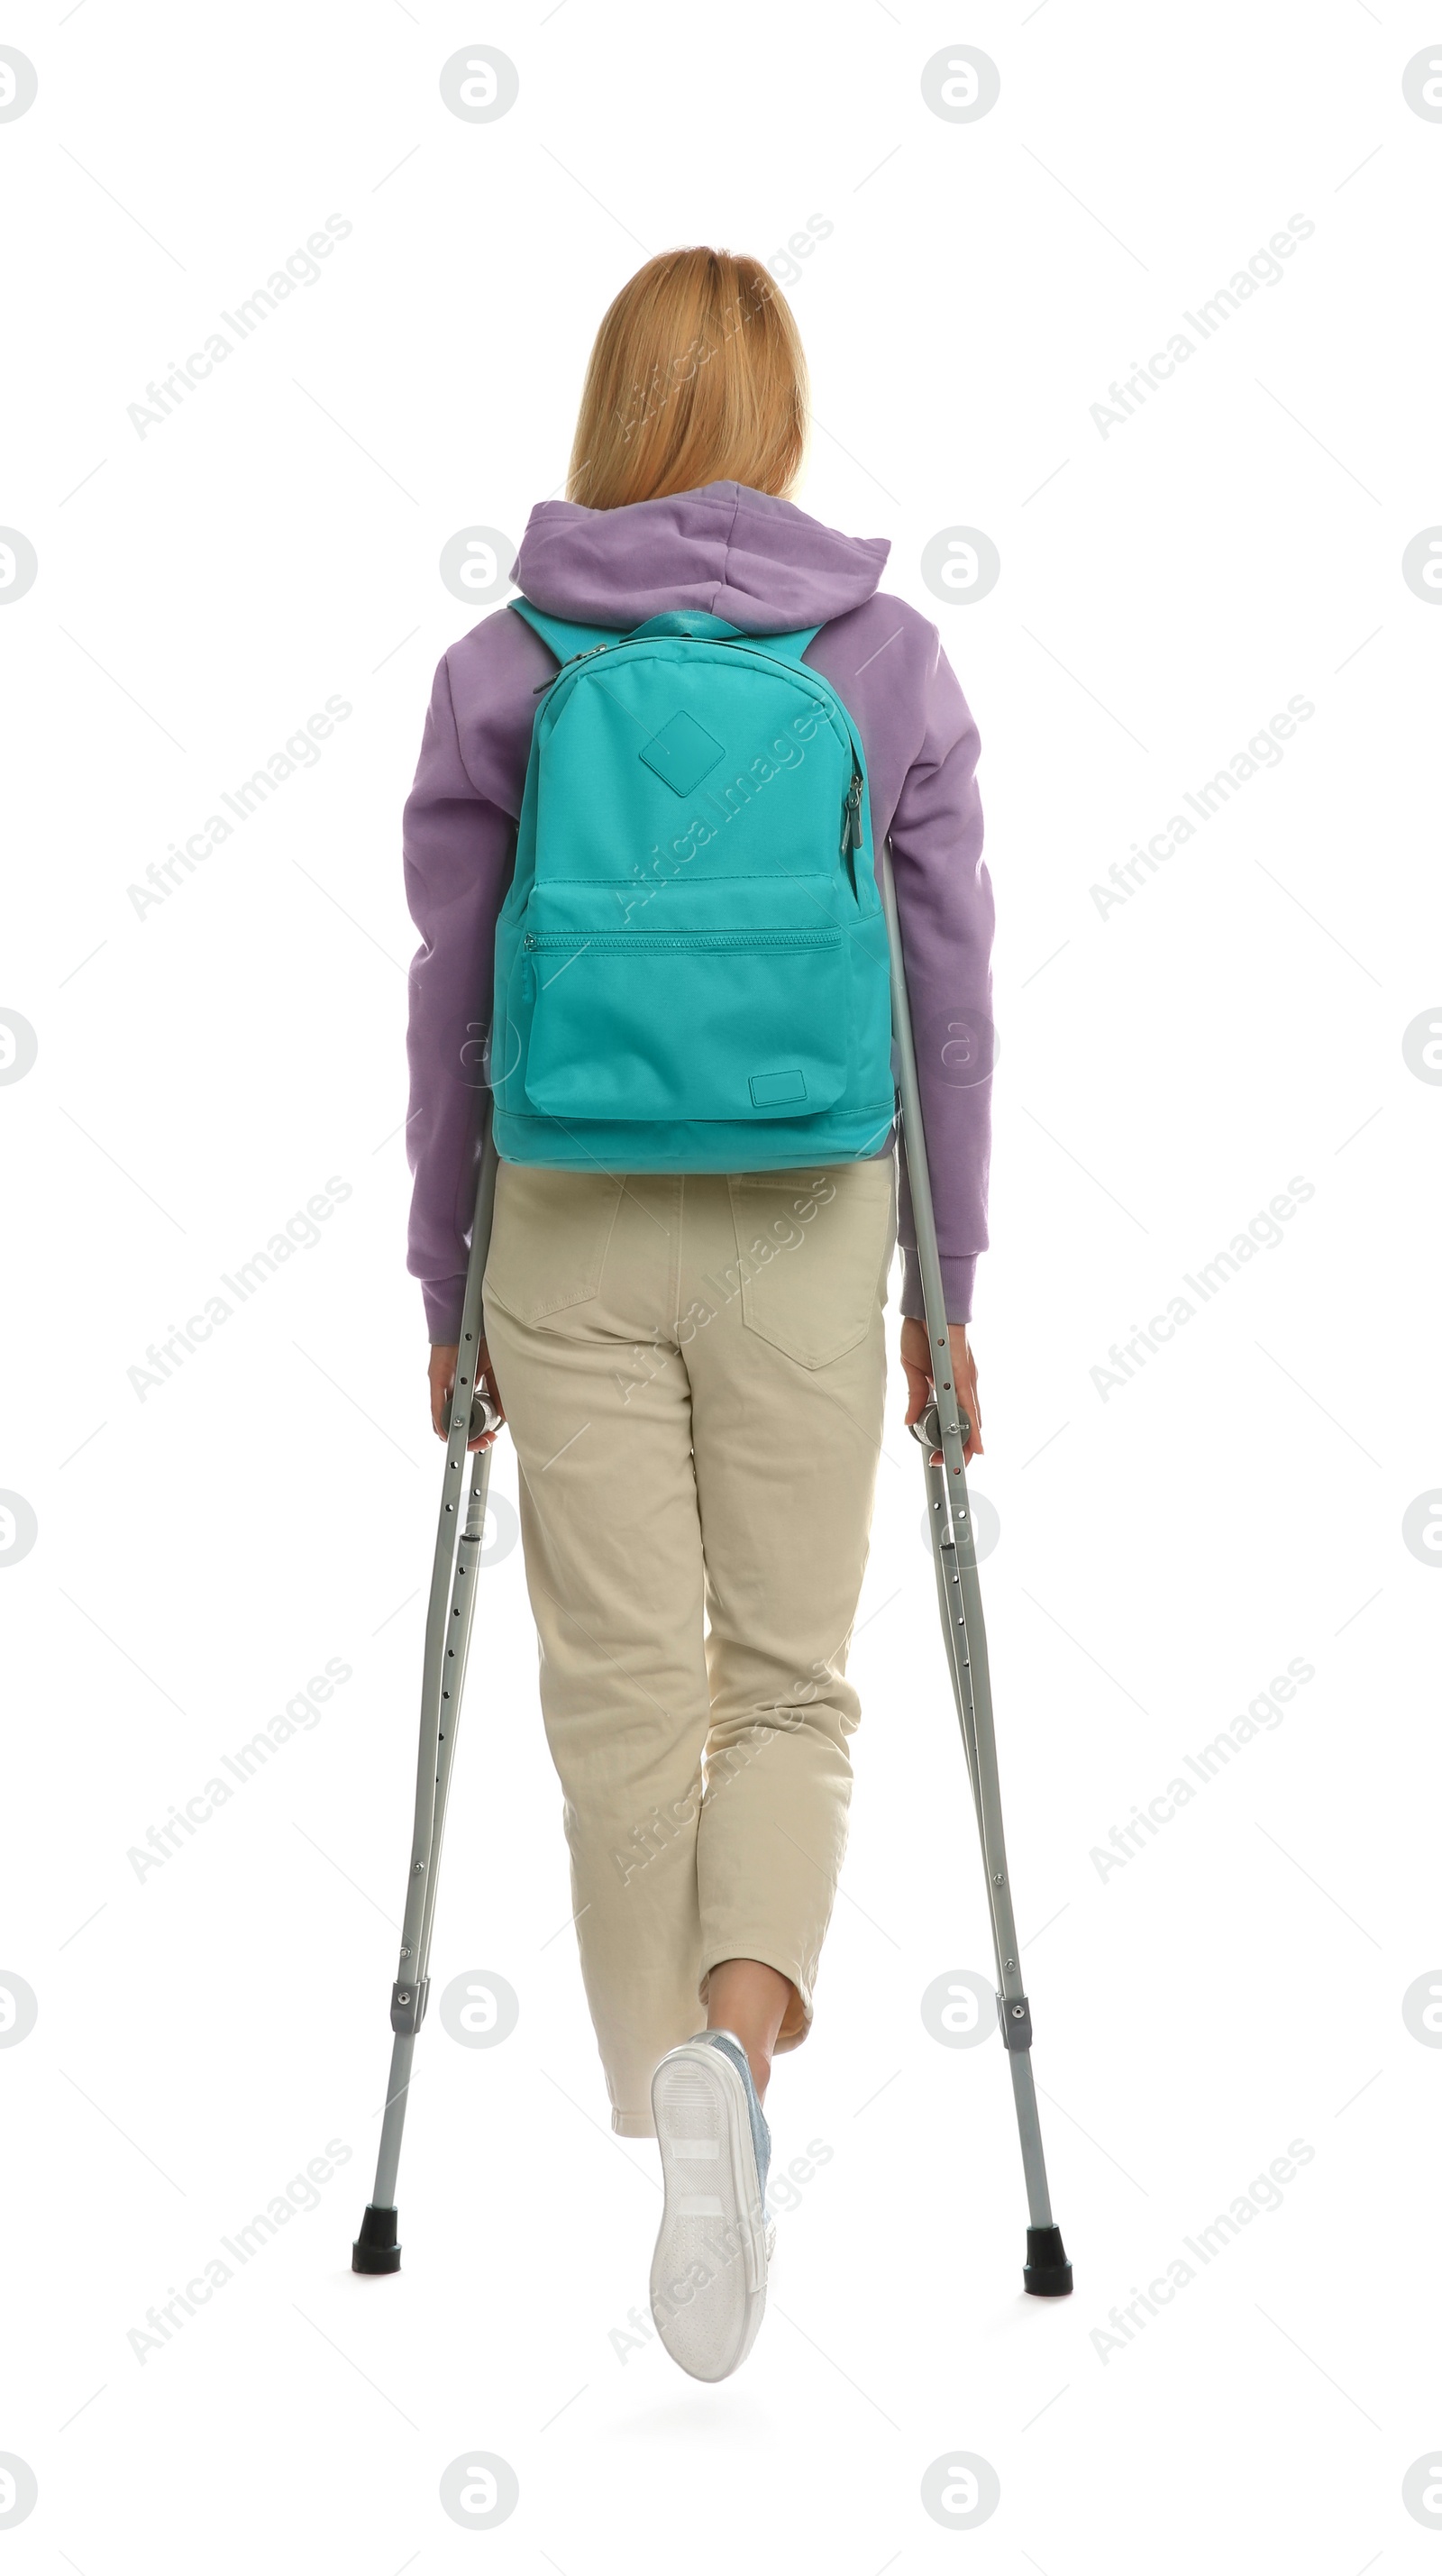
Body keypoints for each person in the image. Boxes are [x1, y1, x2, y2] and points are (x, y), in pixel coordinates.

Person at [401, 245, 993, 2380]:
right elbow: (945, 1005)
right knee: (788, 1681)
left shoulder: (504, 661)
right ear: (776, 415)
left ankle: (668, 2105)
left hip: (560, 1212)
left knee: (619, 1696)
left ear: (610, 409)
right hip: (810, 1215)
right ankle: (733, 2065)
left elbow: (450, 1001)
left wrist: (439, 1272)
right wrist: (950, 1287)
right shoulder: (883, 662)